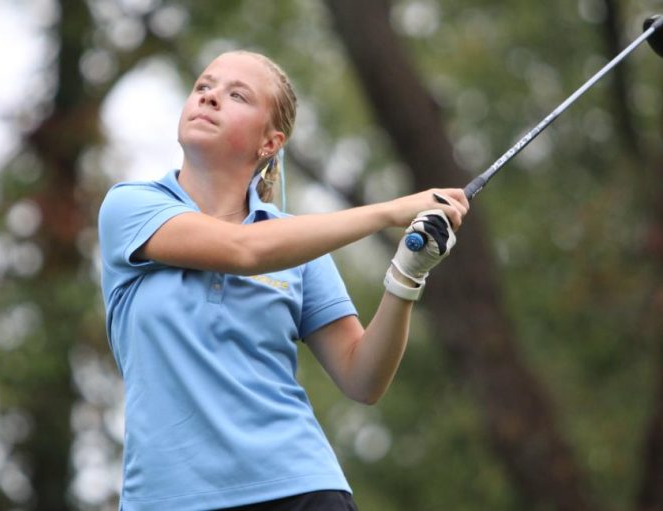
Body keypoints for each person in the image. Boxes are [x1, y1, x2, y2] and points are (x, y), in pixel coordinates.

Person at [98, 50, 469, 511]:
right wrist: (389, 211)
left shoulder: (297, 248)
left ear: (269, 144)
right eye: (204, 87)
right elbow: (243, 251)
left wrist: (406, 276)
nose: (210, 98)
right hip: (166, 501)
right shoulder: (131, 207)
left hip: (298, 490)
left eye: (237, 95)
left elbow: (363, 379)